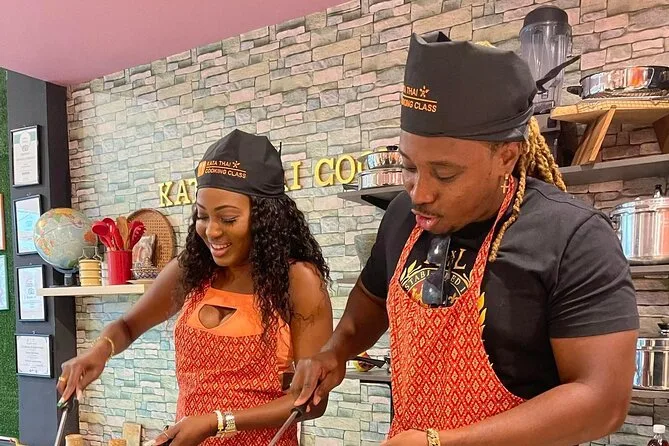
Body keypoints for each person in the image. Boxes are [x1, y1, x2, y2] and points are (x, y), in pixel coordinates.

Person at [291, 32, 639, 446]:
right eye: (409, 167)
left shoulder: (572, 237)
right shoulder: (402, 216)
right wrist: (334, 352)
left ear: (506, 156)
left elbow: (602, 401)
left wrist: (441, 442)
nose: (420, 193)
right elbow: (370, 302)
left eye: (445, 174)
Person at [57, 129, 333, 446]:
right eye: (202, 216)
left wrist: (218, 423)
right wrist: (98, 351)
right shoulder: (193, 269)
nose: (211, 231)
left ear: (265, 218)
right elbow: (128, 326)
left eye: (228, 219)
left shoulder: (298, 280)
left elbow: (312, 401)